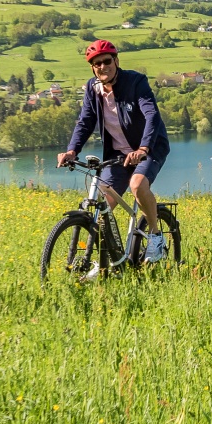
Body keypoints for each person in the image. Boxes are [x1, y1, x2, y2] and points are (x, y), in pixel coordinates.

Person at [57, 39, 171, 267]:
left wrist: (143, 148)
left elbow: (152, 116)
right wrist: (72, 150)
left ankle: (156, 237)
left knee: (138, 185)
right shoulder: (92, 88)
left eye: (107, 61)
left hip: (149, 148)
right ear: (92, 68)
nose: (102, 66)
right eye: (96, 63)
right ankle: (107, 259)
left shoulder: (136, 82)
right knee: (102, 206)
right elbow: (85, 121)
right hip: (118, 155)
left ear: (116, 61)